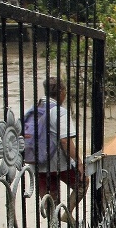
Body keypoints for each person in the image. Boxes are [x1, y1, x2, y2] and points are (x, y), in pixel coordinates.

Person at [33, 76, 86, 212]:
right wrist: (78, 162)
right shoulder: (60, 112)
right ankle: (67, 213)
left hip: (38, 163)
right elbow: (65, 140)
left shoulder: (33, 110)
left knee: (50, 200)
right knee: (83, 182)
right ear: (62, 92)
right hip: (59, 163)